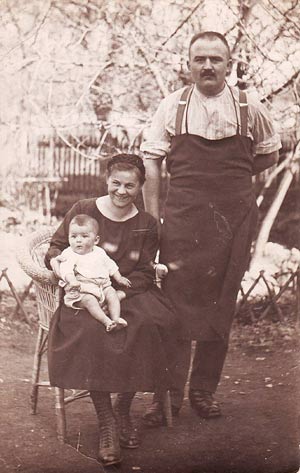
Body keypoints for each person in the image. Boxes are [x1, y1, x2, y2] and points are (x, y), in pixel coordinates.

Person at [140, 31, 281, 424]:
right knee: (174, 306)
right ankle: (166, 396)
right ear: (188, 64)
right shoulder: (173, 105)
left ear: (229, 64)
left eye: (215, 59)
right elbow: (152, 161)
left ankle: (204, 389)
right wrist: (153, 220)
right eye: (199, 59)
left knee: (220, 305)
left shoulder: (248, 105)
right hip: (183, 220)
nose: (207, 66)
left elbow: (270, 152)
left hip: (232, 221)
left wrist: (230, 180)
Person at [45, 153, 178, 466]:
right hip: (84, 295)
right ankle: (107, 422)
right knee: (95, 330)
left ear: (141, 186)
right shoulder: (84, 210)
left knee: (148, 325)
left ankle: (123, 409)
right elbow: (56, 247)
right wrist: (65, 274)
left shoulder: (146, 223)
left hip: (127, 293)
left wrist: (118, 290)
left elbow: (144, 271)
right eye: (116, 183)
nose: (122, 191)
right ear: (107, 181)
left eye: (130, 186)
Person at [57, 213, 129, 332]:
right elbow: (65, 269)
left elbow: (110, 265)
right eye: (73, 237)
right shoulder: (69, 253)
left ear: (96, 240)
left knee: (112, 293)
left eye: (84, 236)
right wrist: (72, 281)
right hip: (81, 291)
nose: (78, 240)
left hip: (102, 286)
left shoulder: (99, 252)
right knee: (89, 300)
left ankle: (116, 318)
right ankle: (107, 321)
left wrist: (119, 278)